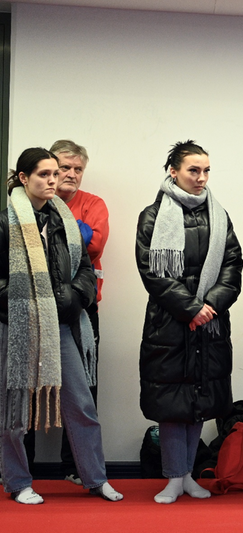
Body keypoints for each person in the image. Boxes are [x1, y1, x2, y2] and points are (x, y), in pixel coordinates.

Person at [0, 148, 122, 504]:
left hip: (62, 325)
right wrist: (24, 302)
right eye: (44, 174)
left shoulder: (64, 222)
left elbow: (84, 267)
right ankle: (18, 482)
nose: (53, 180)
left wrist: (73, 298)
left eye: (55, 174)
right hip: (17, 325)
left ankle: (95, 479)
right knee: (14, 409)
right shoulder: (5, 222)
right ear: (24, 178)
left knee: (81, 404)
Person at [136, 140, 243, 503]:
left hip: (210, 324)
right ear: (174, 171)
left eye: (206, 170)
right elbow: (152, 272)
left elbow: (233, 265)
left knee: (200, 400)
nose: (201, 178)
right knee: (172, 404)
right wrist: (191, 308)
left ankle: (188, 476)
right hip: (168, 324)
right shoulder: (152, 216)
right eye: (193, 170)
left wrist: (210, 305)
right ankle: (173, 477)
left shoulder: (219, 214)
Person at [21, 140, 110, 485]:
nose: (70, 175)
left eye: (77, 169)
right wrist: (78, 231)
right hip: (32, 312)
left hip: (80, 309)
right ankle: (21, 469)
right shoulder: (22, 210)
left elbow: (94, 245)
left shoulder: (93, 203)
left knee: (83, 389)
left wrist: (70, 236)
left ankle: (77, 468)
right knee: (26, 390)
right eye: (63, 168)